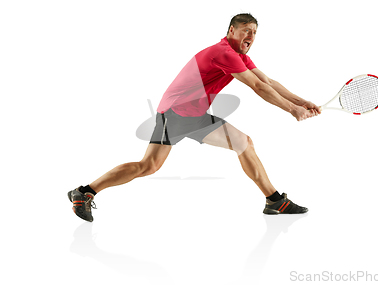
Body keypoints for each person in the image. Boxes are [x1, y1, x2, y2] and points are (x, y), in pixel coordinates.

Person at [68, 13, 321, 222]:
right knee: (148, 166)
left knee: (244, 143)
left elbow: (267, 80)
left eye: (254, 32)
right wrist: (291, 110)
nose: (251, 37)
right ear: (232, 30)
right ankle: (84, 193)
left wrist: (301, 101)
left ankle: (275, 201)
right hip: (176, 113)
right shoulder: (224, 53)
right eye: (246, 31)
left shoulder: (240, 55)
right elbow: (258, 87)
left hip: (196, 115)